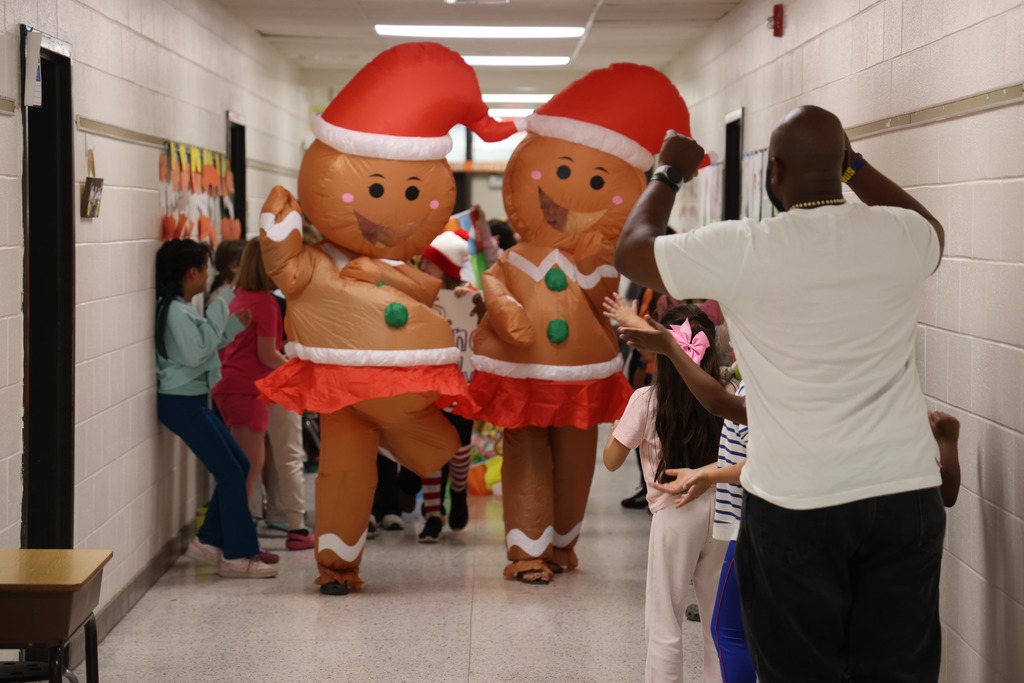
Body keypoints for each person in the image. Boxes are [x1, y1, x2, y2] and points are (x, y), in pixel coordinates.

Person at [615, 105, 947, 682]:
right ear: (843, 164)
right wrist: (854, 168)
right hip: (905, 491)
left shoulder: (746, 247)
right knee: (900, 669)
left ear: (774, 175)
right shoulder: (901, 235)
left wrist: (667, 171)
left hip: (797, 499)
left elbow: (633, 252)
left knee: (800, 668)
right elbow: (930, 228)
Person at [603, 304, 727, 682]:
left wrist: (615, 429)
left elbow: (611, 461)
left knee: (665, 620)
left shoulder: (646, 399)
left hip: (674, 512)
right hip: (724, 506)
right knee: (719, 623)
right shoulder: (727, 391)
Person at [154, 238, 276, 579]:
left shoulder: (181, 307)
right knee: (232, 472)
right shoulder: (176, 311)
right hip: (181, 403)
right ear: (191, 272)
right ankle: (237, 556)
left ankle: (208, 542)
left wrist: (232, 326)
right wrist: (223, 307)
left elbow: (201, 348)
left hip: (192, 400)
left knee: (238, 463)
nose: (207, 277)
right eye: (204, 270)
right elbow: (196, 355)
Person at [212, 239, 288, 565]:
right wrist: (302, 370)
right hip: (247, 388)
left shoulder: (237, 295)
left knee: (240, 469)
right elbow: (268, 355)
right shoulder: (266, 303)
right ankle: (238, 546)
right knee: (247, 470)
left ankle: (228, 540)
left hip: (228, 384)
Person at [415, 230, 477, 541]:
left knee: (461, 445)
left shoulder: (467, 295)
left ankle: (459, 489)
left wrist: (469, 299)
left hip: (461, 386)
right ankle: (432, 514)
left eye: (429, 263)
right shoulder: (419, 295)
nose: (423, 267)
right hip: (428, 386)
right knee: (430, 448)